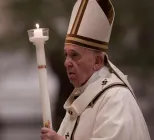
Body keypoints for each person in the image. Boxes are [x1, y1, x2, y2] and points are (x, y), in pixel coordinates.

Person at [40, 0, 151, 139]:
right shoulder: (81, 96)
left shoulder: (116, 98)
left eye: (75, 55)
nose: (67, 62)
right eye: (66, 55)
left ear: (97, 61)